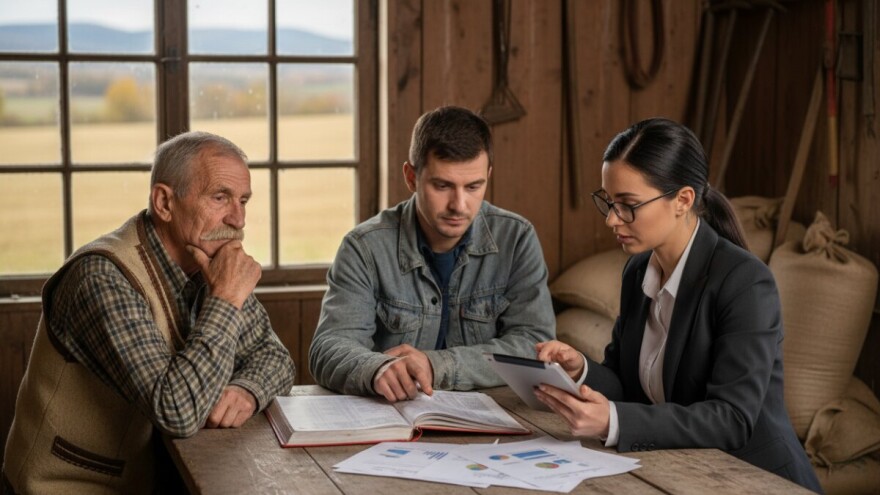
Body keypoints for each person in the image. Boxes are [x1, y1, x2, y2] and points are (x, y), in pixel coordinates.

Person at [534, 118, 822, 493]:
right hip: (687, 471)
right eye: (608, 202)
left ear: (683, 200)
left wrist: (613, 421)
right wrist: (580, 369)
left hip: (757, 479)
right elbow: (630, 386)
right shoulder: (638, 270)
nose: (611, 219)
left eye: (628, 205)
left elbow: (731, 418)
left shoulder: (745, 283)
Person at [2, 131, 295, 494]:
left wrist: (248, 390)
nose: (238, 219)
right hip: (67, 486)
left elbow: (276, 359)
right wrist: (226, 299)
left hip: (156, 480)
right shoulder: (100, 277)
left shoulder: (208, 260)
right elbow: (178, 411)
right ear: (164, 203)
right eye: (220, 197)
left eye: (244, 201)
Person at [309, 105, 556, 402]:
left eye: (474, 186)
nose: (459, 205)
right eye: (442, 185)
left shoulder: (516, 238)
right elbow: (328, 347)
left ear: (488, 175)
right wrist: (376, 369)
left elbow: (535, 345)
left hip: (492, 422)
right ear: (411, 177)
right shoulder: (364, 247)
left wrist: (436, 365)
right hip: (393, 419)